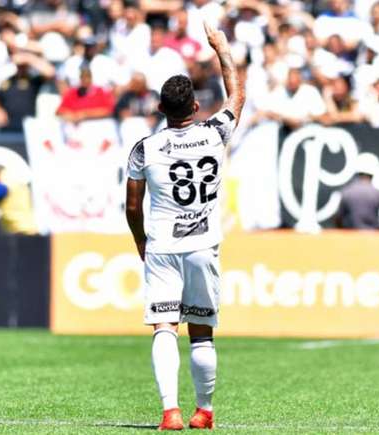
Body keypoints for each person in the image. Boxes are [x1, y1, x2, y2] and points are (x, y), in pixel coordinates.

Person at [125, 22, 244, 431]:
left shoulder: (145, 149)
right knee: (202, 333)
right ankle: (204, 411)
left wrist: (141, 243)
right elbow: (237, 96)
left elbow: (132, 205)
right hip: (202, 245)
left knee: (163, 328)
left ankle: (170, 411)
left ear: (161, 110)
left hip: (161, 246)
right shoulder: (214, 134)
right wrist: (221, 49)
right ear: (195, 107)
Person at [335, 154, 379, 230]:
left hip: (353, 238)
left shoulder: (347, 192)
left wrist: (344, 232)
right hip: (374, 237)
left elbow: (337, 218)